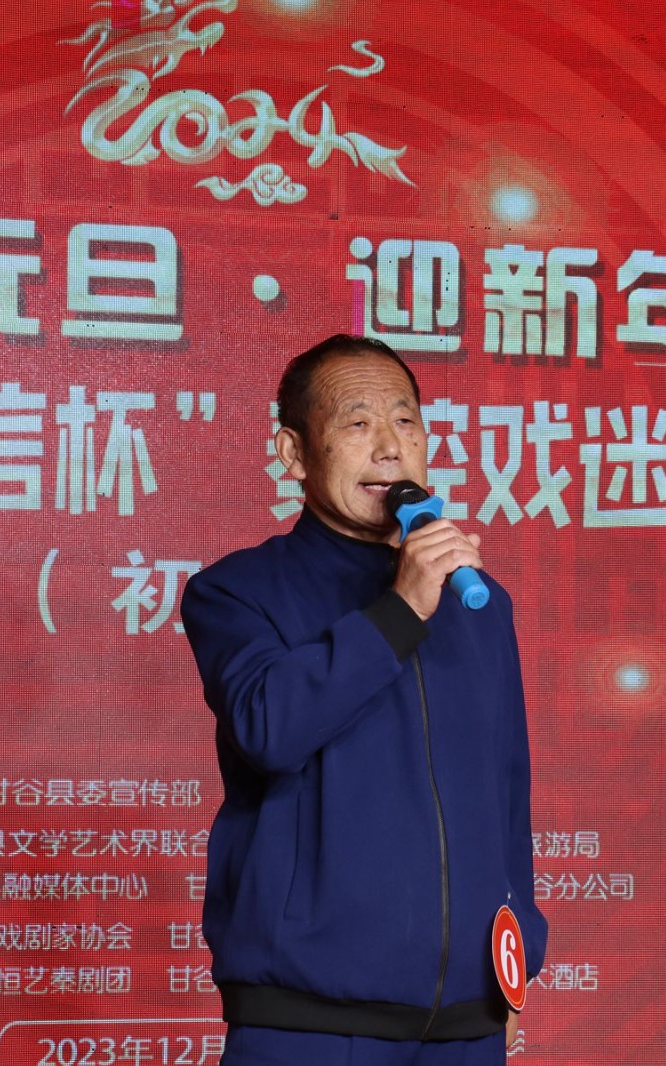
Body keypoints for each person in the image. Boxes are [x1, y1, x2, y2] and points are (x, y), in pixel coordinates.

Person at [180, 334, 548, 1065]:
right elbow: (270, 729)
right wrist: (401, 609)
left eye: (405, 421)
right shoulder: (237, 591)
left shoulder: (478, 602)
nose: (389, 447)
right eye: (357, 423)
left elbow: (505, 791)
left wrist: (515, 967)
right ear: (293, 453)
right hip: (308, 1021)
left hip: (465, 1025)